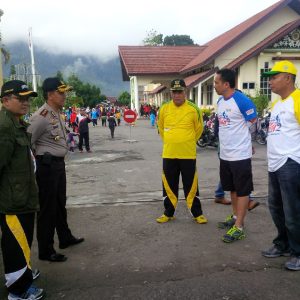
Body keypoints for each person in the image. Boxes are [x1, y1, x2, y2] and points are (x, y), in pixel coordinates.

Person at [28, 77, 84, 263]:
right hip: (47, 167)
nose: (64, 95)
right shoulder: (41, 117)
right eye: (61, 92)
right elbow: (28, 143)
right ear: (50, 94)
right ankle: (46, 249)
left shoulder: (55, 113)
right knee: (47, 209)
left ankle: (65, 237)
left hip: (58, 165)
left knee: (60, 204)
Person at [0, 80, 45, 299]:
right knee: (15, 244)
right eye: (21, 98)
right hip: (12, 200)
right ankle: (17, 291)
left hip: (23, 195)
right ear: (6, 100)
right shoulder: (4, 127)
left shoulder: (15, 122)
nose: (26, 102)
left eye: (28, 98)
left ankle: (23, 274)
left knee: (23, 240)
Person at [260, 60, 300, 271]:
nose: (271, 81)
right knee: (276, 207)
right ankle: (282, 244)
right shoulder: (277, 104)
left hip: (291, 164)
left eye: (274, 77)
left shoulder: (298, 100)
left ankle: (298, 252)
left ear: (288, 78)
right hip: (274, 164)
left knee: (293, 210)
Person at [156, 79, 207, 224]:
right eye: (174, 92)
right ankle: (168, 212)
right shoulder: (164, 109)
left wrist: (186, 141)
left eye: (180, 92)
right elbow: (160, 129)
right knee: (168, 185)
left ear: (185, 92)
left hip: (188, 154)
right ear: (171, 93)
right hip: (169, 154)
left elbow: (199, 130)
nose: (177, 95)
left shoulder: (193, 108)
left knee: (191, 185)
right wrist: (173, 141)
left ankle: (197, 213)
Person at [214, 69, 257, 243]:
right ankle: (234, 217)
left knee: (242, 190)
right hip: (225, 154)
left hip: (240, 155)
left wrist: (249, 142)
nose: (215, 85)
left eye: (217, 82)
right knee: (231, 188)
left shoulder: (242, 101)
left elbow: (253, 122)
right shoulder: (220, 101)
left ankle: (239, 226)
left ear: (226, 84)